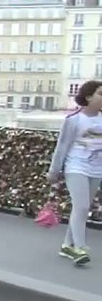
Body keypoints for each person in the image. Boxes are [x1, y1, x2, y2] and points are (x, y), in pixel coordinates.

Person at [48, 79, 102, 266]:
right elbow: (62, 146)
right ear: (88, 97)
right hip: (76, 166)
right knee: (81, 206)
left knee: (82, 208)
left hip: (96, 169)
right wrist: (54, 170)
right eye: (100, 94)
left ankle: (67, 244)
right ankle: (79, 247)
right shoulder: (74, 120)